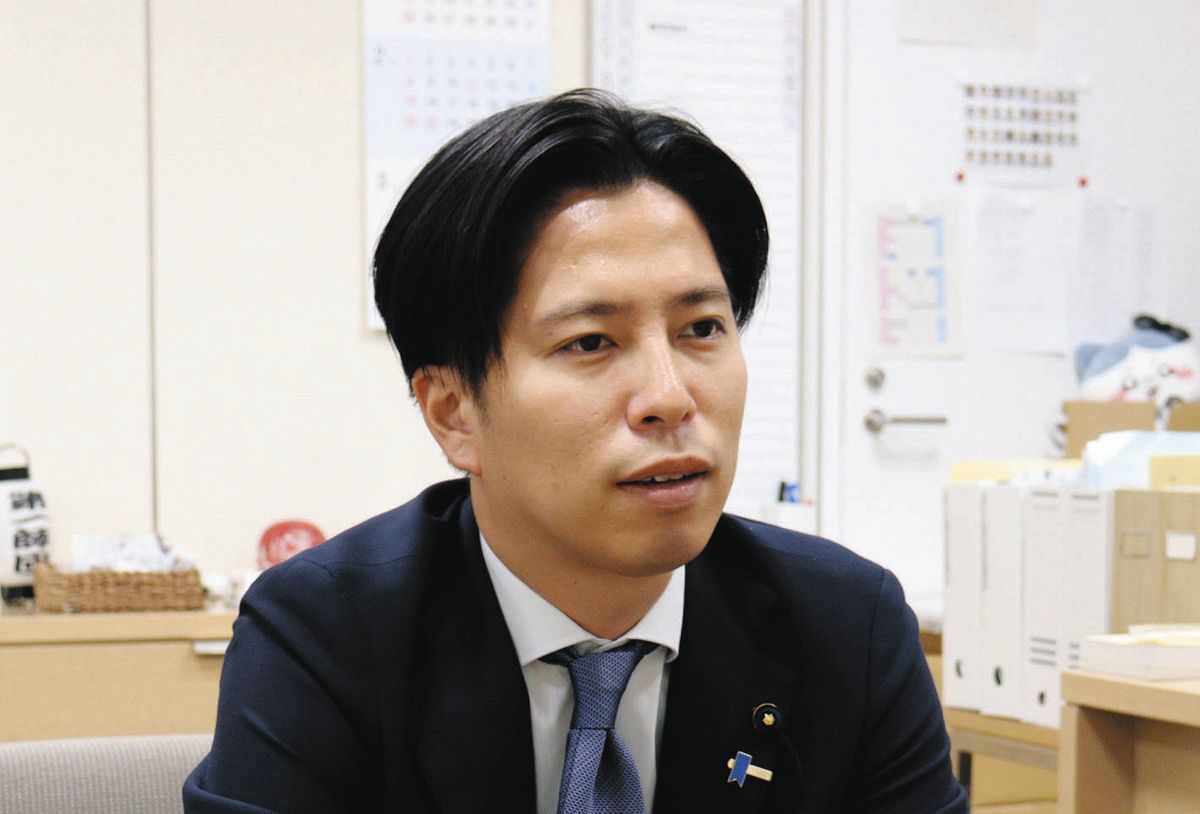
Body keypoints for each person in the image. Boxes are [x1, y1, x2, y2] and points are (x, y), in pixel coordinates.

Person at [184, 89, 966, 813]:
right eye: (591, 341)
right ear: (454, 413)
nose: (670, 397)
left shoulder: (848, 628)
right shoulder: (326, 634)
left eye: (701, 329)